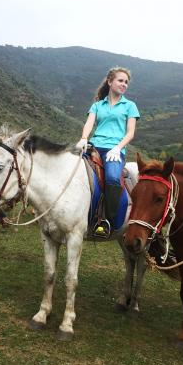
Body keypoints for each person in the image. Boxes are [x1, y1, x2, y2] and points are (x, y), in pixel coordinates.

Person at [75, 67, 140, 237]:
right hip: (95, 147)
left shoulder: (130, 106)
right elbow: (89, 123)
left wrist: (118, 148)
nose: (124, 84)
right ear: (110, 82)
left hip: (115, 150)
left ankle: (106, 221)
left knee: (112, 178)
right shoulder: (97, 105)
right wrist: (83, 138)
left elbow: (130, 132)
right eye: (120, 80)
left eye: (126, 82)